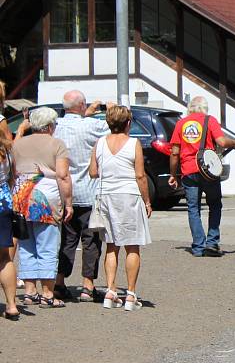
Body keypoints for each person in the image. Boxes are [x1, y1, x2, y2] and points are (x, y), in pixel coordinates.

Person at [89, 105, 151, 311]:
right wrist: (147, 201)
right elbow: (140, 176)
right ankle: (131, 295)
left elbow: (93, 172)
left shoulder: (99, 143)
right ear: (128, 123)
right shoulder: (134, 143)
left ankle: (110, 290)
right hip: (128, 195)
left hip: (105, 195)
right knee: (132, 246)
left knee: (111, 245)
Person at [53, 90, 112, 303]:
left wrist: (87, 111)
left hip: (63, 192)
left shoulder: (56, 126)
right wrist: (110, 107)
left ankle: (59, 281)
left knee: (66, 241)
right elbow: (114, 126)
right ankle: (88, 285)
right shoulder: (91, 126)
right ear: (81, 106)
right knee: (91, 240)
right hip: (89, 190)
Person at [12, 107, 73, 309]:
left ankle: (30, 292)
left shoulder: (18, 144)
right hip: (46, 199)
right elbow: (63, 176)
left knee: (26, 246)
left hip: (21, 197)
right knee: (47, 245)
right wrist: (69, 203)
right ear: (48, 126)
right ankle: (48, 293)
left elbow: (12, 171)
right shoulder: (57, 144)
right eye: (54, 124)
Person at [168, 96, 235, 257]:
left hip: (188, 171)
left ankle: (198, 247)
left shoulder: (181, 123)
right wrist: (234, 143)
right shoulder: (210, 120)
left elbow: (174, 153)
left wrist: (173, 174)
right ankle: (212, 243)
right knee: (215, 205)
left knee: (194, 209)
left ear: (190, 108)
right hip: (208, 170)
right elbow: (221, 142)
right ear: (205, 108)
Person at [0, 119, 19, 320]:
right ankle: (12, 305)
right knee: (5, 256)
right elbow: (13, 177)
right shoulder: (7, 150)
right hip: (3, 201)